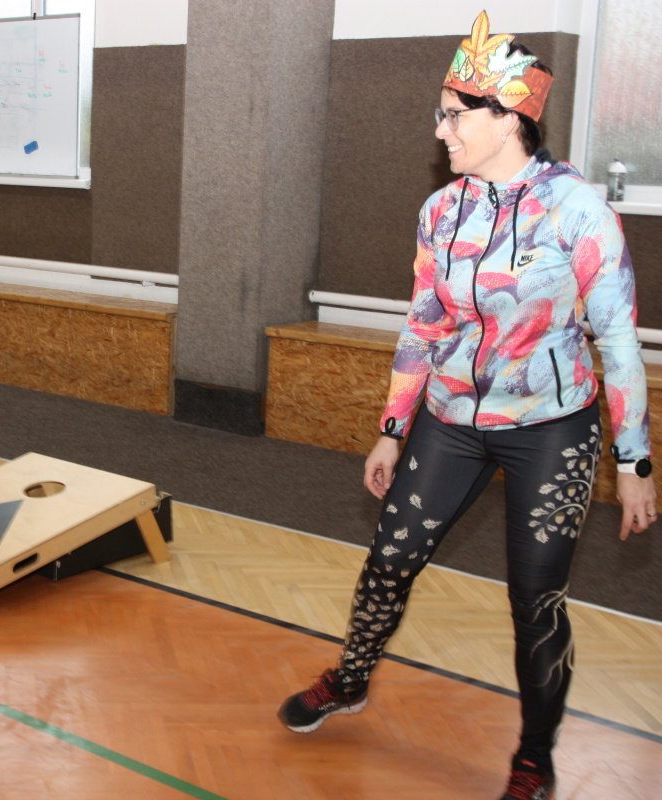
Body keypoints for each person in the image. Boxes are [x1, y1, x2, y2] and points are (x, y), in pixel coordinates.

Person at [276, 11, 656, 800]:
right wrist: (392, 428)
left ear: (509, 118)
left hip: (551, 428)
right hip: (451, 421)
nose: (439, 128)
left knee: (535, 599)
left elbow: (619, 340)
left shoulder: (577, 210)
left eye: (454, 114)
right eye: (441, 113)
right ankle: (351, 678)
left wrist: (635, 461)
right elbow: (424, 324)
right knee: (389, 560)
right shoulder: (442, 211)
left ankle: (534, 758)